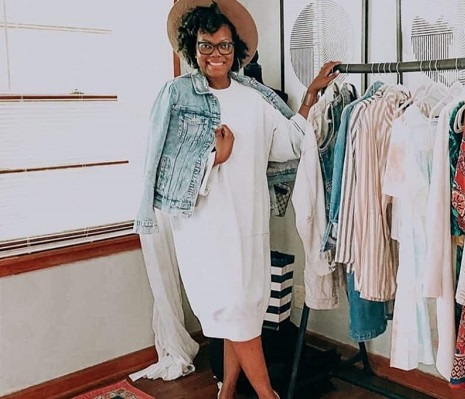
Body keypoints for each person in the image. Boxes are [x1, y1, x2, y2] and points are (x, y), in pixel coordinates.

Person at [134, 1, 340, 398]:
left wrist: (311, 97)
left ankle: (226, 391)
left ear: (237, 49)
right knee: (237, 313)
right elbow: (161, 165)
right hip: (204, 227)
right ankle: (268, 395)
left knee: (244, 313)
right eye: (206, 45)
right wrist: (215, 158)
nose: (215, 54)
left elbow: (288, 145)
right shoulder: (178, 95)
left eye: (224, 46)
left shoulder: (254, 97)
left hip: (248, 224)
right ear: (192, 48)